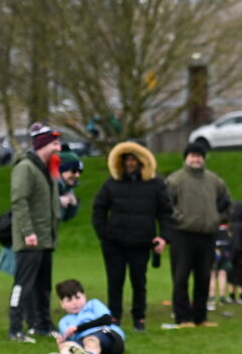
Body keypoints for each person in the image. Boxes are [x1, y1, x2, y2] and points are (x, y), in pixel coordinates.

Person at [91, 141, 172, 332]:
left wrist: (164, 237)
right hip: (115, 243)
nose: (130, 163)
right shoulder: (112, 184)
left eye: (133, 159)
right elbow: (98, 209)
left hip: (141, 242)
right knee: (115, 283)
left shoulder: (155, 185)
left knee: (139, 283)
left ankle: (139, 318)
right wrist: (104, 235)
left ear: (141, 160)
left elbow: (166, 213)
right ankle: (114, 318)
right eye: (126, 159)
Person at [165, 142, 231, 327]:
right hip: (183, 234)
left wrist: (217, 217)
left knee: (204, 278)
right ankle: (183, 317)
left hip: (207, 235)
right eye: (192, 155)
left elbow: (227, 201)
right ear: (186, 158)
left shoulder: (214, 180)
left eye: (199, 156)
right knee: (181, 278)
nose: (196, 159)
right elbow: (165, 205)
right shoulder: (175, 180)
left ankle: (201, 317)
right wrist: (179, 219)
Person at [8, 123, 63, 342]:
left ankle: (43, 324)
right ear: (43, 145)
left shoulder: (47, 169)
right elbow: (19, 202)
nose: (59, 148)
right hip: (30, 240)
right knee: (22, 285)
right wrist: (27, 232)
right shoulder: (25, 168)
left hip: (46, 238)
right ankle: (15, 327)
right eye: (55, 143)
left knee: (43, 286)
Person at [48, 279, 126, 354]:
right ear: (62, 304)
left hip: (108, 336)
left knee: (90, 339)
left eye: (78, 298)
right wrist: (62, 341)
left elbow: (106, 319)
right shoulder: (63, 321)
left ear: (84, 296)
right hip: (82, 341)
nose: (75, 303)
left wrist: (78, 328)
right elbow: (67, 337)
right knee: (68, 345)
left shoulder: (93, 304)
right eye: (69, 300)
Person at [57, 147, 83, 221]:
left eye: (80, 171)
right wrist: (57, 201)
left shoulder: (66, 187)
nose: (77, 175)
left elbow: (65, 218)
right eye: (74, 170)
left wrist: (74, 204)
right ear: (61, 170)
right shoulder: (47, 185)